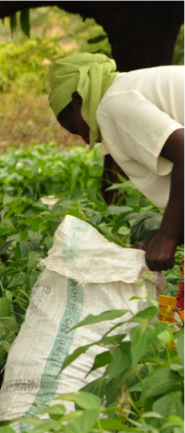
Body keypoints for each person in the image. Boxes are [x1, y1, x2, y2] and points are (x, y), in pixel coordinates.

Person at [48, 53, 185, 322]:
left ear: (79, 99)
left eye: (75, 128)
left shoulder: (113, 103)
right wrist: (159, 239)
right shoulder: (126, 90)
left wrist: (167, 236)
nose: (85, 139)